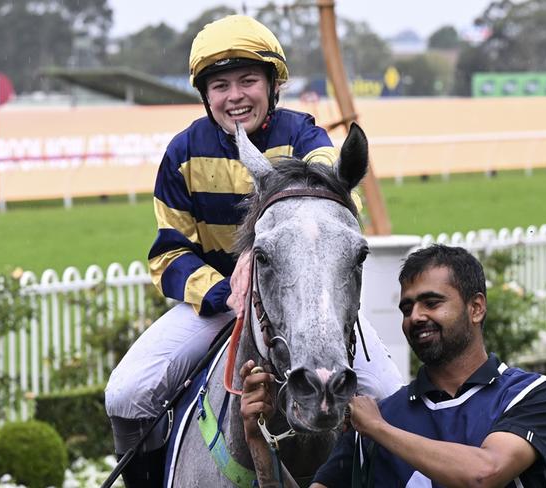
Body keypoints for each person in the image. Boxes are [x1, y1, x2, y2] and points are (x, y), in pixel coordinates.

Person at [104, 14, 402, 488]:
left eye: (248, 80)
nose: (235, 95)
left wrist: (274, 250)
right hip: (218, 303)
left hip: (302, 293)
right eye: (220, 85)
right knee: (126, 394)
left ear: (272, 86)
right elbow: (169, 255)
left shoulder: (306, 137)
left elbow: (336, 195)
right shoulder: (181, 153)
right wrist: (226, 291)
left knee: (389, 395)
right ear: (205, 96)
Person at [241, 244, 546, 487]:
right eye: (406, 308)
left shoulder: (531, 395)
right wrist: (259, 439)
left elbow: (485, 473)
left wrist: (379, 430)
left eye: (432, 302)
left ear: (476, 308)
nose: (416, 316)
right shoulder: (379, 417)